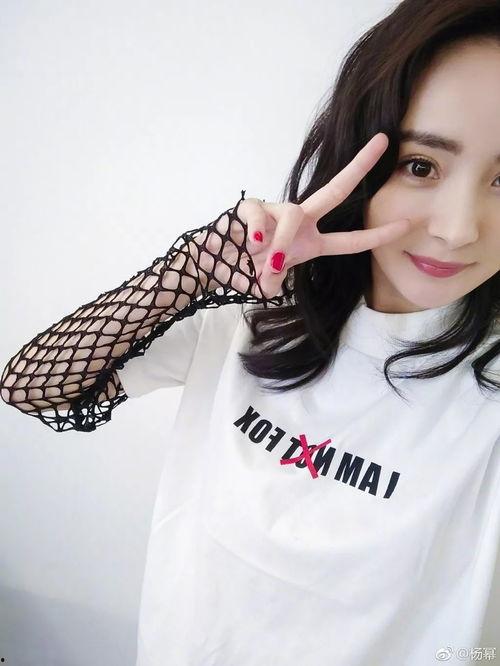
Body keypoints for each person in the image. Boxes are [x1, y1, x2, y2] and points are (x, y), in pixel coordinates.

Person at [1, 0, 500, 663]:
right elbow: (32, 387)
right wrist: (191, 272)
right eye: (421, 165)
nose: (459, 228)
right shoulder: (257, 310)